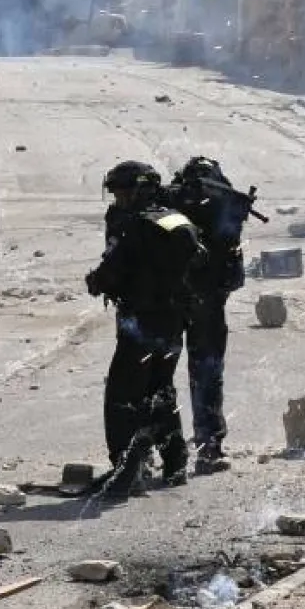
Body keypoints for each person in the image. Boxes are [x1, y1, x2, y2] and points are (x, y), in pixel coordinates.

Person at [85, 160, 205, 499]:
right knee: (160, 391)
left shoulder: (137, 225)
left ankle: (127, 473)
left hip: (141, 323)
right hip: (173, 321)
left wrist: (97, 281)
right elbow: (200, 259)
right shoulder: (177, 219)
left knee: (123, 397)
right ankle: (175, 463)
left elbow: (111, 270)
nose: (119, 199)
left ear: (141, 189)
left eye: (123, 192)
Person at [162, 157, 251, 474]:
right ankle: (209, 447)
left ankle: (164, 452)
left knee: (159, 376)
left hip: (170, 299)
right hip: (209, 301)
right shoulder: (224, 202)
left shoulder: (170, 198)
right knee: (207, 374)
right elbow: (231, 254)